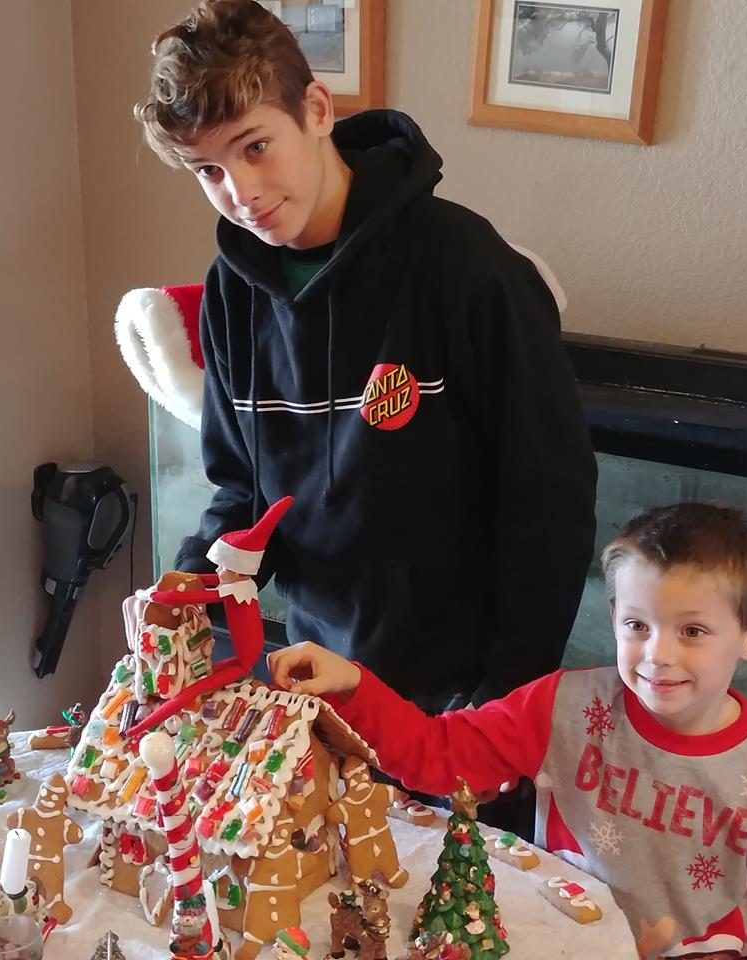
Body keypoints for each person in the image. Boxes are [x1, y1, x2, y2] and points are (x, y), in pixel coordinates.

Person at [136, 0, 596, 722]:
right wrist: (189, 586)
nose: (241, 192)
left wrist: (505, 701)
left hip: (460, 691)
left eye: (256, 147)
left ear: (317, 110)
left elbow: (548, 502)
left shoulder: (469, 268)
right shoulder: (232, 292)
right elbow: (242, 493)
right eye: (209, 170)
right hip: (312, 668)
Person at [270, 504, 747, 958]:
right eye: (637, 625)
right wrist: (353, 686)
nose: (658, 654)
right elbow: (439, 755)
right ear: (614, 619)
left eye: (693, 631)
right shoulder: (563, 704)